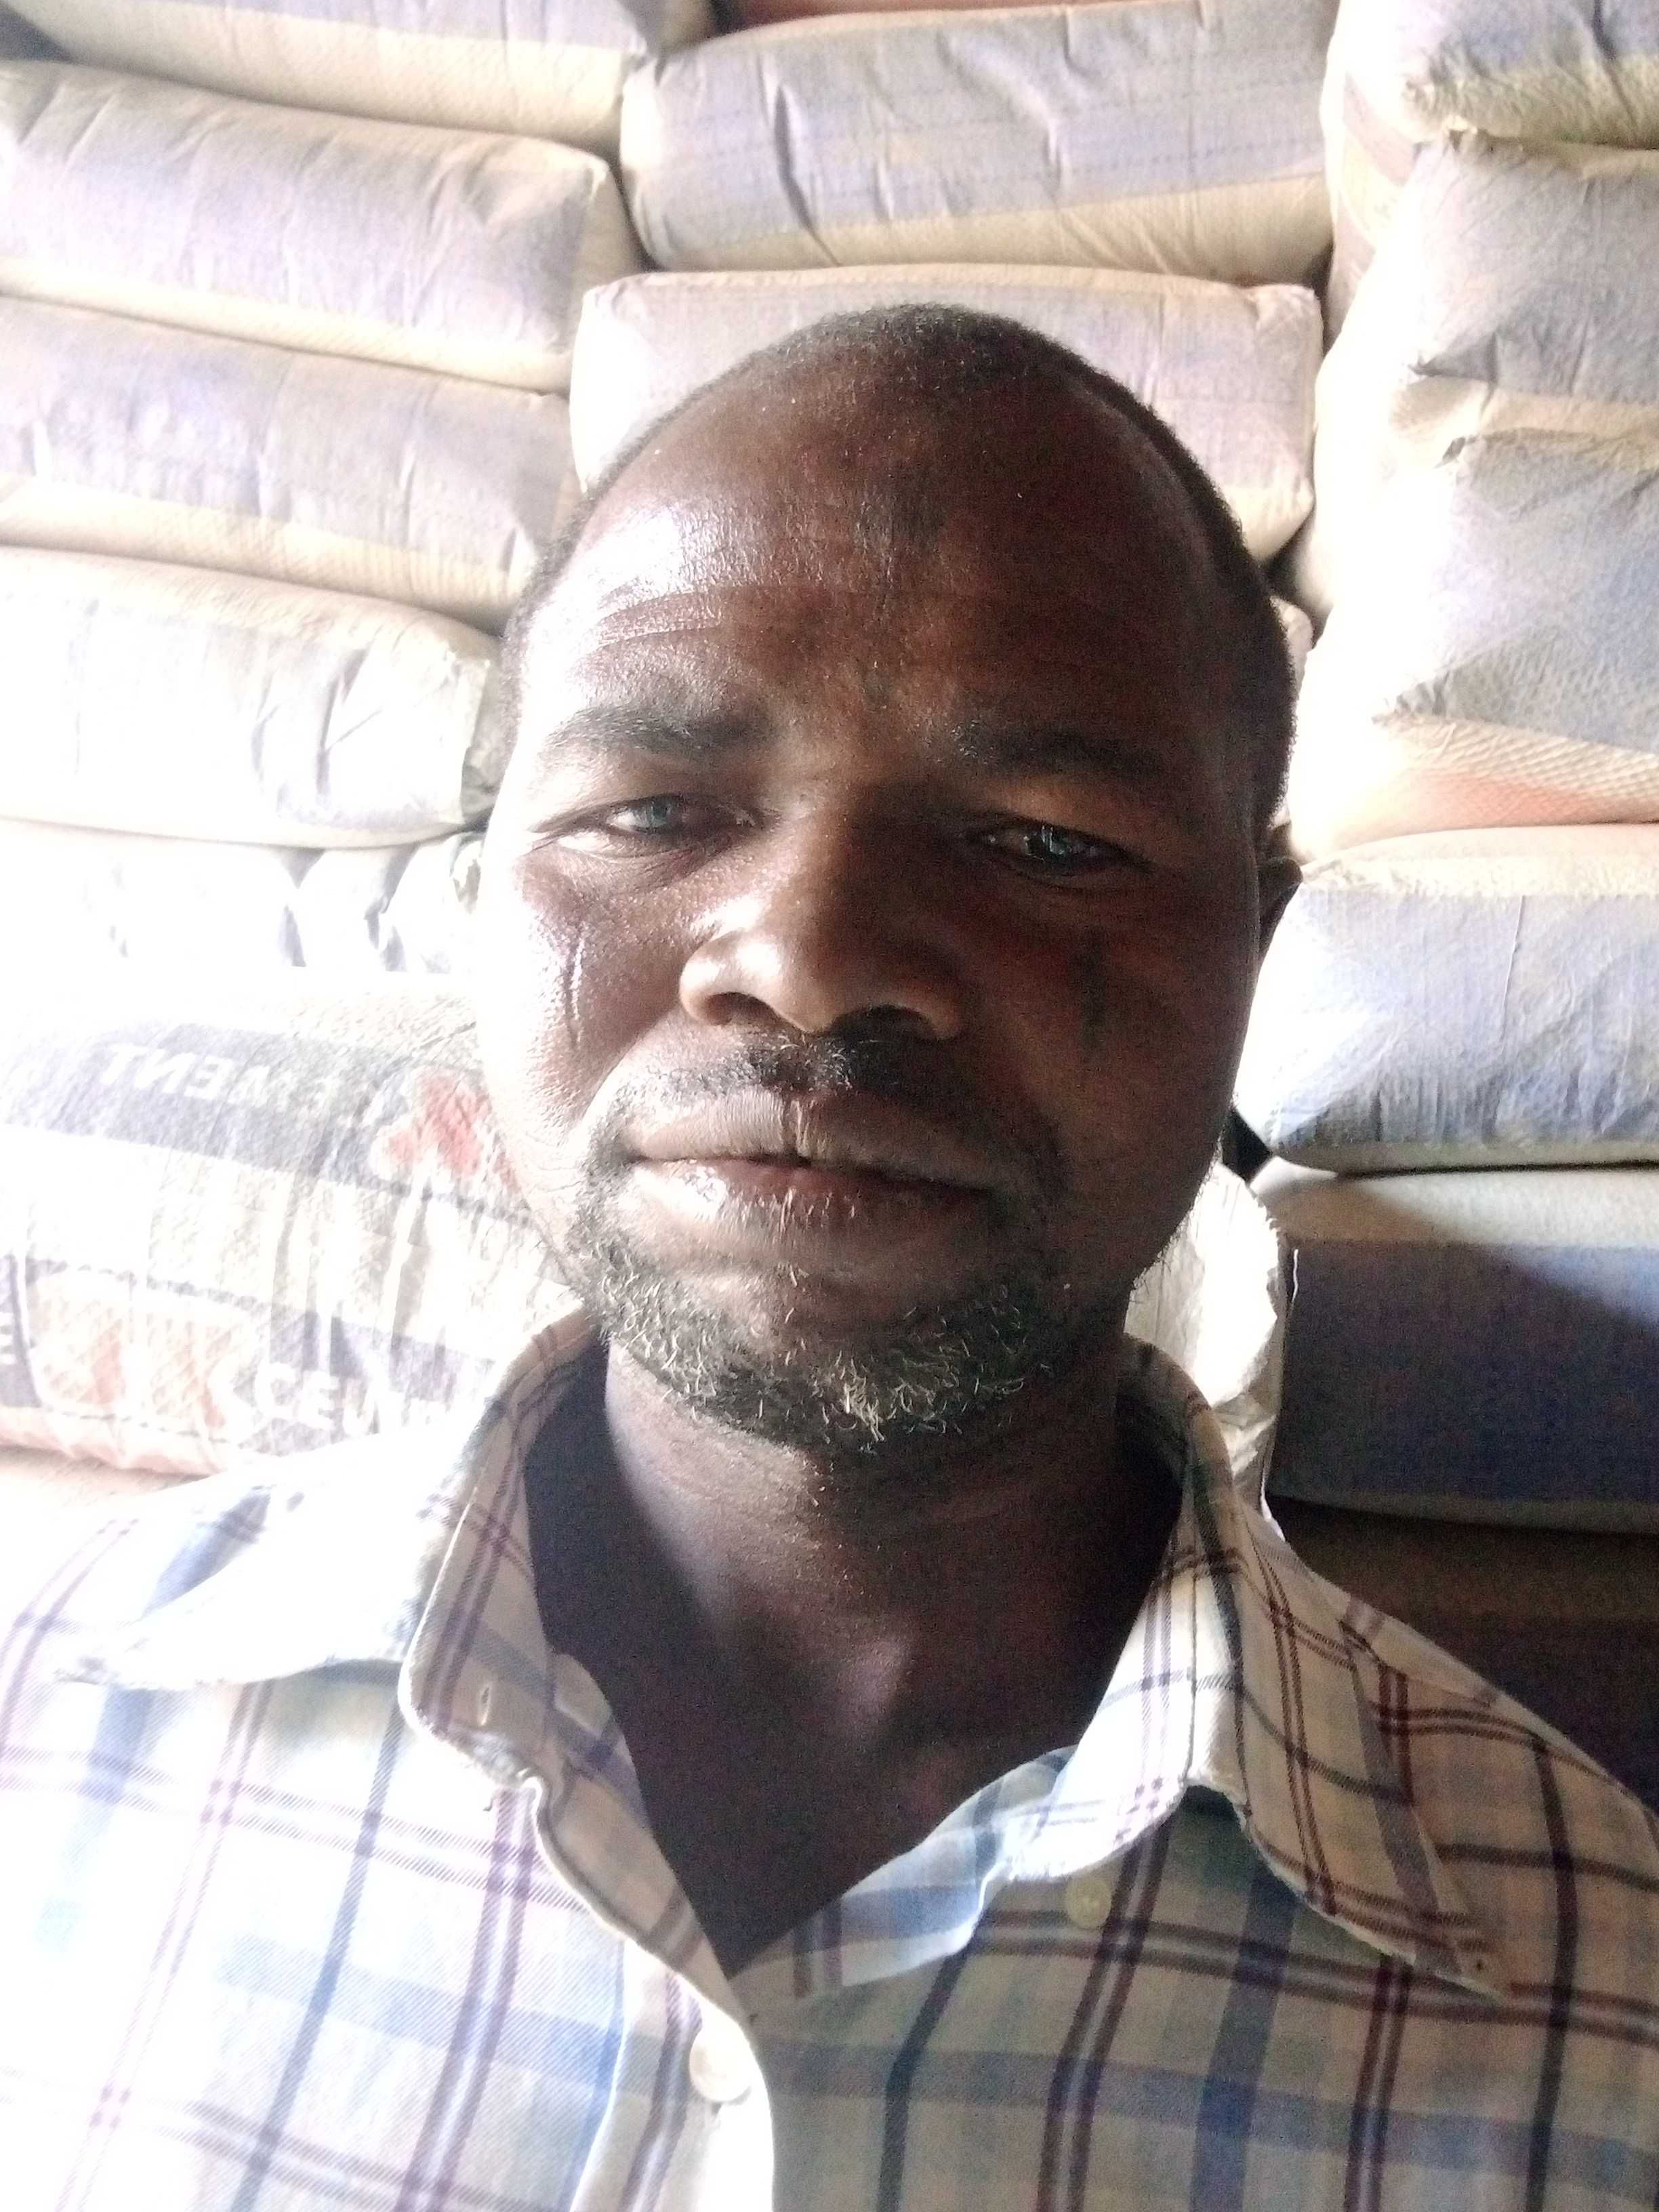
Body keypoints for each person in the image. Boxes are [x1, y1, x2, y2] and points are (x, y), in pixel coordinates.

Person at [4, 309, 1657, 2211]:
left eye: (1044, 842)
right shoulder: (51, 1711)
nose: (805, 956)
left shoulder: (1599, 2015)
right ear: (482, 892)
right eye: (651, 812)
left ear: (1257, 949)